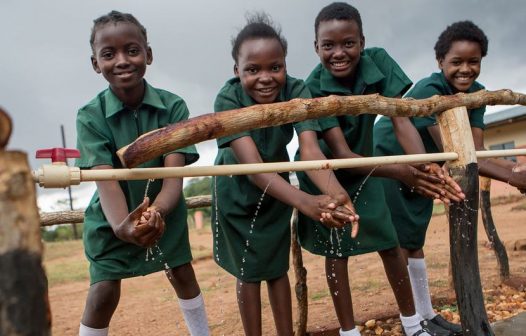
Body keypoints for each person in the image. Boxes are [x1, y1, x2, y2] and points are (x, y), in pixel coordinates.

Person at [296, 3, 465, 336]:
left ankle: (413, 324)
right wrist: (401, 171)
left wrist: (422, 165)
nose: (339, 52)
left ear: (362, 41)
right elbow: (341, 152)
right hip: (327, 171)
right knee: (337, 250)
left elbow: (400, 119)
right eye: (328, 45)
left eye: (348, 43)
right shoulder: (311, 87)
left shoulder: (380, 62)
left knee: (389, 242)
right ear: (316, 47)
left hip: (368, 165)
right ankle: (349, 331)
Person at [374, 20, 526, 335]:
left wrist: (514, 170)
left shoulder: (478, 95)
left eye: (474, 62)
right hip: (396, 162)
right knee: (402, 240)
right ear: (440, 62)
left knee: (415, 239)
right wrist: (514, 179)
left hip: (431, 166)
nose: (465, 69)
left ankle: (427, 314)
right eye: (456, 62)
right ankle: (411, 322)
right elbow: (454, 151)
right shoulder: (431, 89)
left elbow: (477, 149)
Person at [212, 13, 359, 336]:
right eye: (253, 70)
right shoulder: (227, 98)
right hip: (238, 191)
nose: (265, 78)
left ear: (285, 65)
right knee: (249, 271)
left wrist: (336, 193)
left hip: (277, 189)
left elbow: (310, 150)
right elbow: (252, 168)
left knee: (277, 268)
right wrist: (305, 203)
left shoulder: (297, 90)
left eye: (274, 67)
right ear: (237, 72)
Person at [75, 11, 208, 336]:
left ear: (148, 54)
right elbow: (105, 181)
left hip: (164, 210)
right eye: (108, 54)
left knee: (182, 275)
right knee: (104, 291)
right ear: (95, 63)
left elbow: (173, 179)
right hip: (113, 216)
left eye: (132, 50)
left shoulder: (173, 107)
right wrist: (122, 226)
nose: (122, 60)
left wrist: (156, 213)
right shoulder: (90, 117)